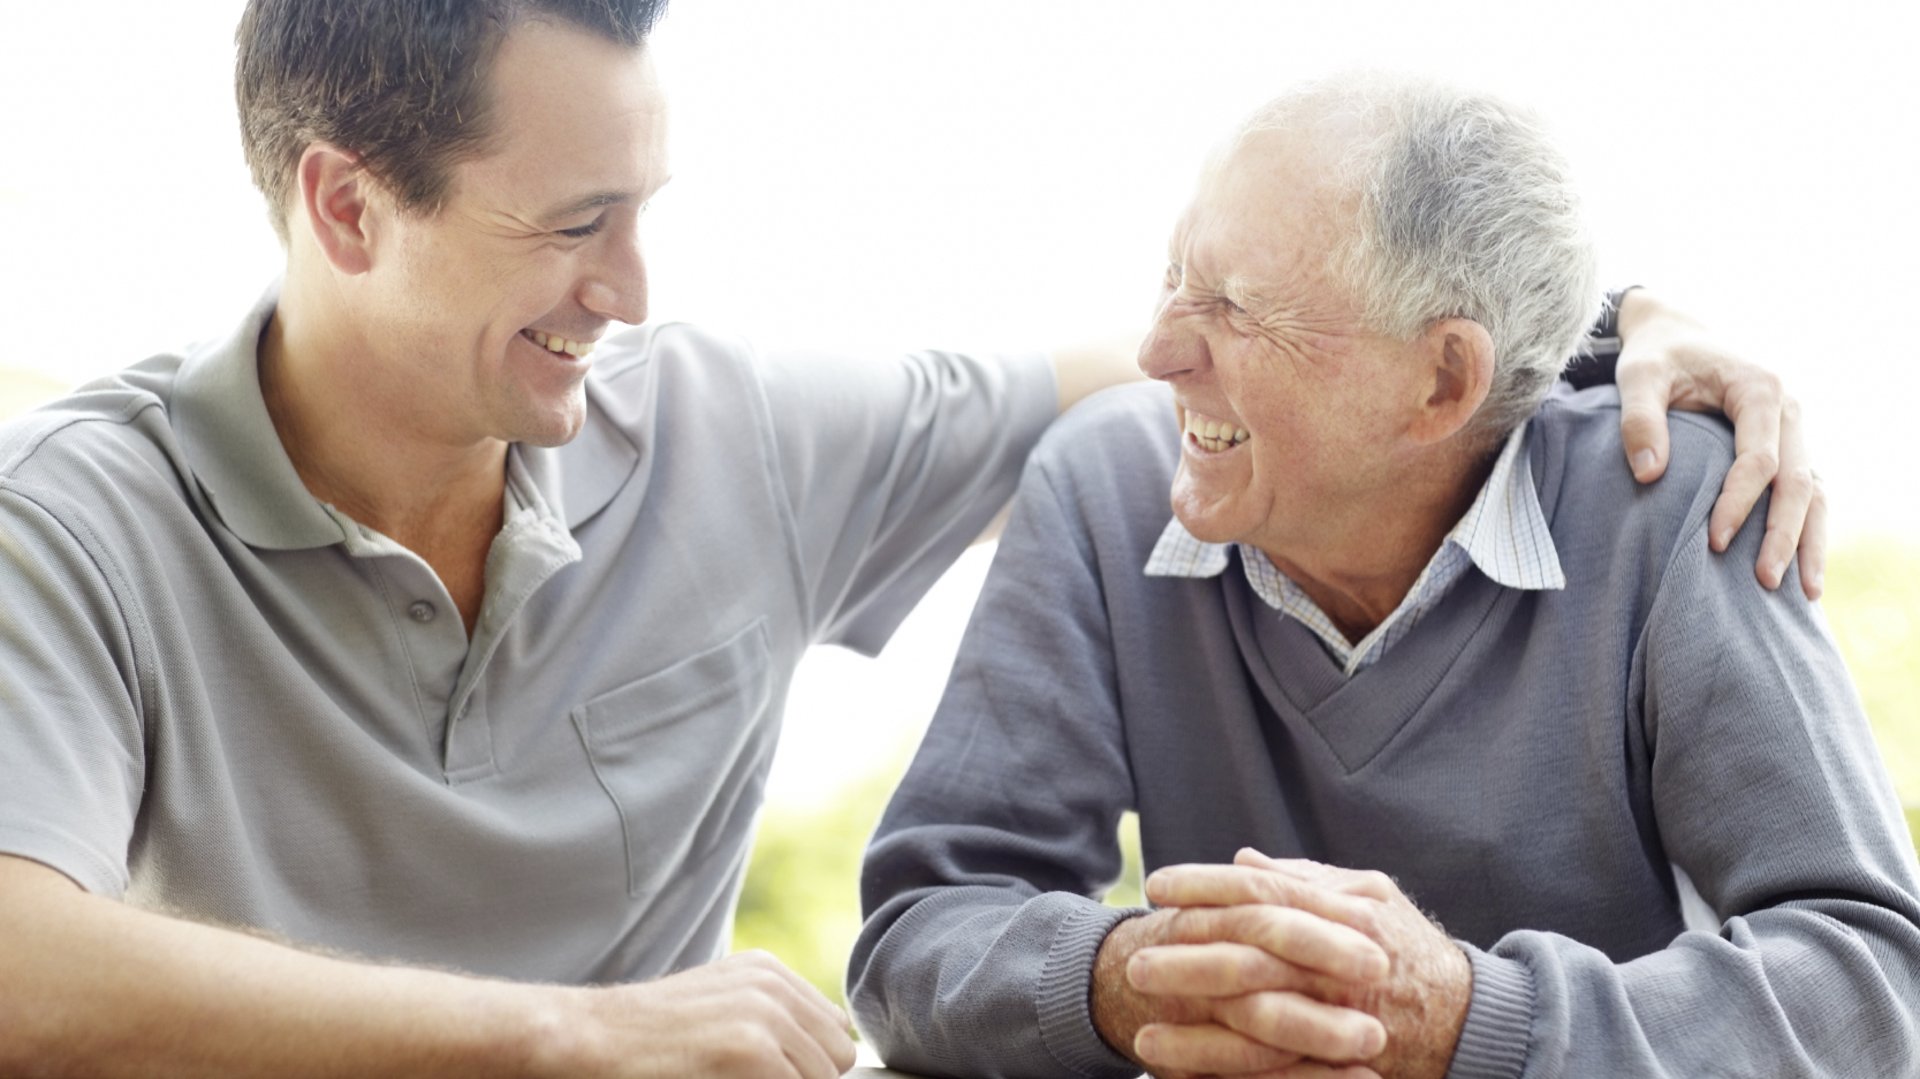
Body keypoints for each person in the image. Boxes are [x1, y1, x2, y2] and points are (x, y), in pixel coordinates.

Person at [0, 2, 1814, 1076]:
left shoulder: (743, 433)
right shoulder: (76, 521)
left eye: (647, 210)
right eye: (574, 224)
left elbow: (1240, 372)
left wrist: (1616, 325)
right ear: (344, 203)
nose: (634, 288)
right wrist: (564, 1033)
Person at [849, 72, 1918, 1079]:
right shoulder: (1104, 485)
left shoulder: (1673, 504)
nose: (1158, 349)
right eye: (1174, 276)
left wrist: (1469, 1017)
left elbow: (1871, 983)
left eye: (1236, 305)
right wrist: (1147, 973)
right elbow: (917, 934)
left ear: (1444, 380)